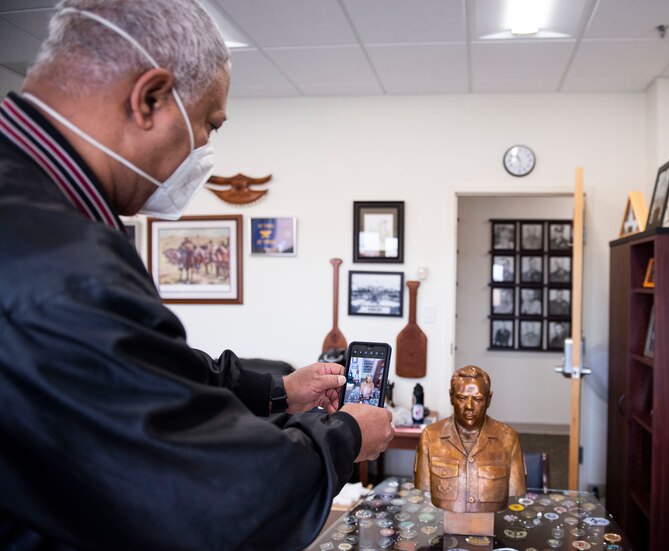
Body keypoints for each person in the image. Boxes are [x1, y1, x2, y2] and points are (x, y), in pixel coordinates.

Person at [0, 1, 394, 549]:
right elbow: (226, 500)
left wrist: (279, 389)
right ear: (150, 99)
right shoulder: (65, 262)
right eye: (209, 123)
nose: (205, 149)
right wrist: (346, 434)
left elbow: (144, 373)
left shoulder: (38, 212)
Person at [413, 366, 526, 513]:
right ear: (451, 397)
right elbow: (422, 489)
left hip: (491, 524)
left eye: (478, 399)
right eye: (462, 398)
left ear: (489, 399)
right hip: (445, 523)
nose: (469, 406)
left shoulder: (508, 438)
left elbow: (516, 492)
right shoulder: (430, 436)